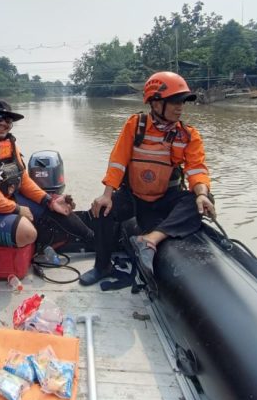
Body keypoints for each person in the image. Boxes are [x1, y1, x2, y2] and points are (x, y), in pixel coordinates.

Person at [79, 71, 216, 286]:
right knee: (103, 209)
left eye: (182, 102)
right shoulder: (135, 125)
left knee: (201, 200)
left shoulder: (188, 135)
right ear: (155, 102)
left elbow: (196, 169)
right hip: (133, 197)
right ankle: (102, 266)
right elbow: (118, 161)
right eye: (174, 102)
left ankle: (150, 239)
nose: (180, 107)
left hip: (165, 198)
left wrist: (201, 194)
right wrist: (107, 194)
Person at [0, 100, 93, 249]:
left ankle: (92, 239)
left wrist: (48, 200)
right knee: (27, 232)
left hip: (3, 202)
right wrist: (16, 209)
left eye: (8, 119)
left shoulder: (9, 143)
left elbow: (23, 179)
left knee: (55, 207)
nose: (3, 123)